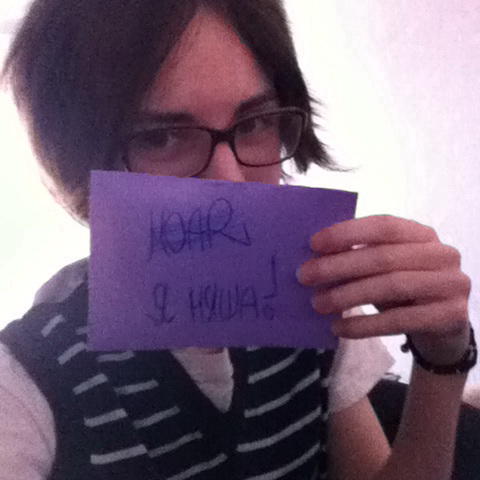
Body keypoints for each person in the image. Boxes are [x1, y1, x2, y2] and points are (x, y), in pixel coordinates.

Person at [0, 1, 475, 479]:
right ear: (77, 161)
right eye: (162, 137)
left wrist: (443, 358)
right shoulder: (29, 379)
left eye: (253, 124)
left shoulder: (314, 301)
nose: (230, 181)